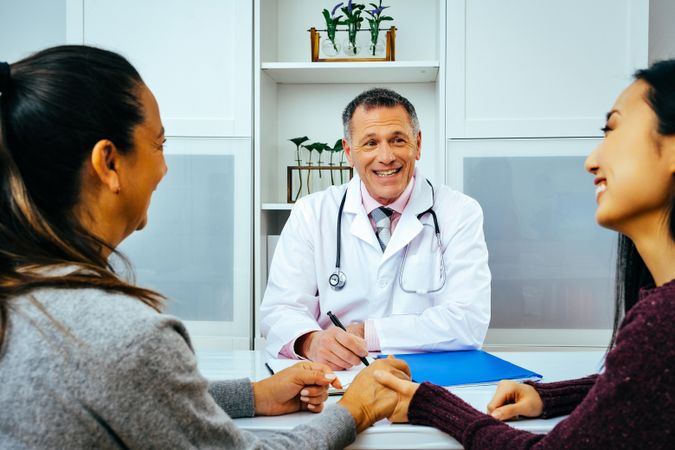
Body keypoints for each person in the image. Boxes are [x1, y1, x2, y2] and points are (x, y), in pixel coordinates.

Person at [0, 45, 411, 449]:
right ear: (108, 163)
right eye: (159, 145)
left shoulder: (23, 296)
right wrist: (353, 410)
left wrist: (254, 395)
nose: (165, 167)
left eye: (398, 140)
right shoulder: (124, 337)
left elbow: (133, 393)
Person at [373, 59, 675, 449]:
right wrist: (549, 396)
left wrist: (427, 403)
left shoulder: (662, 322)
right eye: (370, 143)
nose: (591, 161)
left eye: (612, 130)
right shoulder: (661, 318)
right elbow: (640, 384)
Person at [261, 88, 491, 369]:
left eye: (397, 140)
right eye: (370, 143)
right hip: (336, 377)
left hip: (427, 379)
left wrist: (367, 334)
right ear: (349, 152)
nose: (386, 156)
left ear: (417, 145)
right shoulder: (312, 213)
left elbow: (469, 320)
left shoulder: (459, 212)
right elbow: (280, 309)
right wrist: (310, 341)